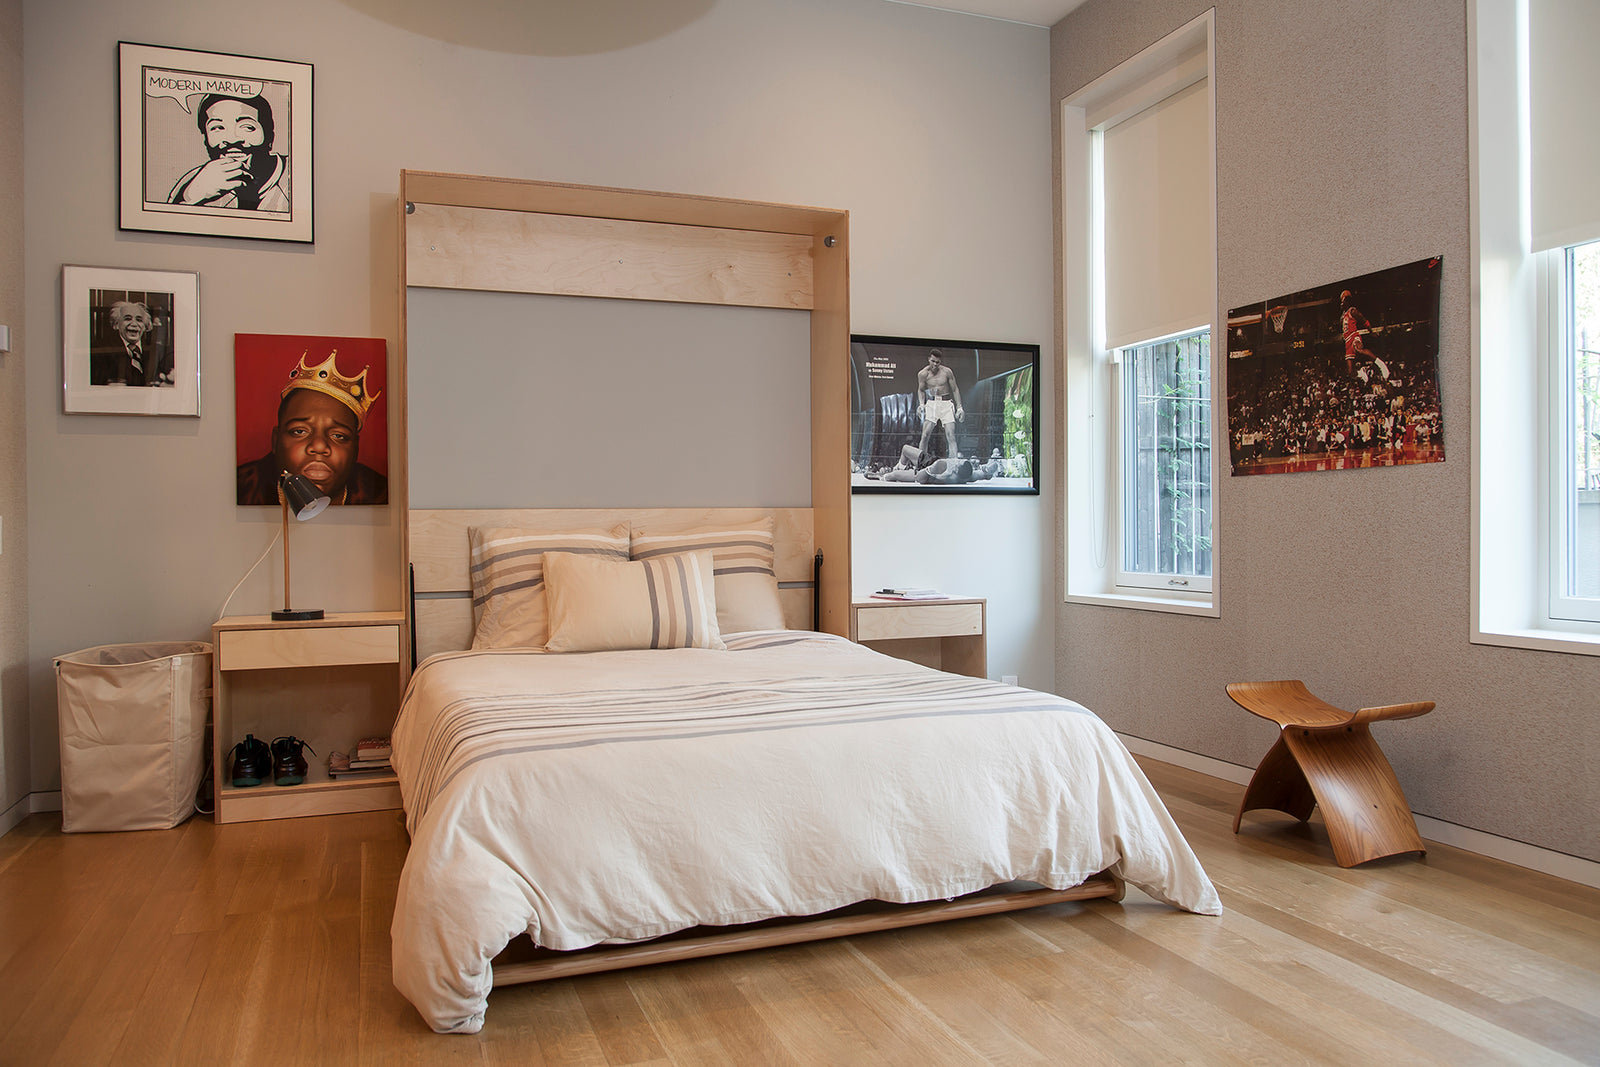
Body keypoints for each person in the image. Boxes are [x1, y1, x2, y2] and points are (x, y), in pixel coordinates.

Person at [237, 351, 387, 505]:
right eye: (300, 431)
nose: (319, 446)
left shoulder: (381, 493)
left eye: (338, 435)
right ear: (275, 441)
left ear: (355, 448)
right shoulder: (240, 487)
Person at [168, 93, 289, 212]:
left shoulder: (293, 176)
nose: (232, 140)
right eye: (217, 128)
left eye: (247, 127)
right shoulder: (195, 181)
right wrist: (189, 199)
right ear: (205, 139)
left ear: (269, 136)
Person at [90, 300, 170, 386]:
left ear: (145, 326)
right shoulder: (101, 352)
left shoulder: (159, 351)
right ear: (116, 324)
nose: (134, 324)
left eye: (139, 320)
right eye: (127, 319)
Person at [915, 349, 964, 460]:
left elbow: (955, 389)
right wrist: (921, 404)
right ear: (929, 359)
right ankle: (921, 462)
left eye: (937, 362)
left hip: (946, 403)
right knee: (925, 435)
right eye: (933, 361)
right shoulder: (923, 374)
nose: (935, 364)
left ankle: (953, 462)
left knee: (951, 435)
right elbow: (921, 390)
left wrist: (960, 407)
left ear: (940, 361)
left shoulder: (947, 372)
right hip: (932, 404)